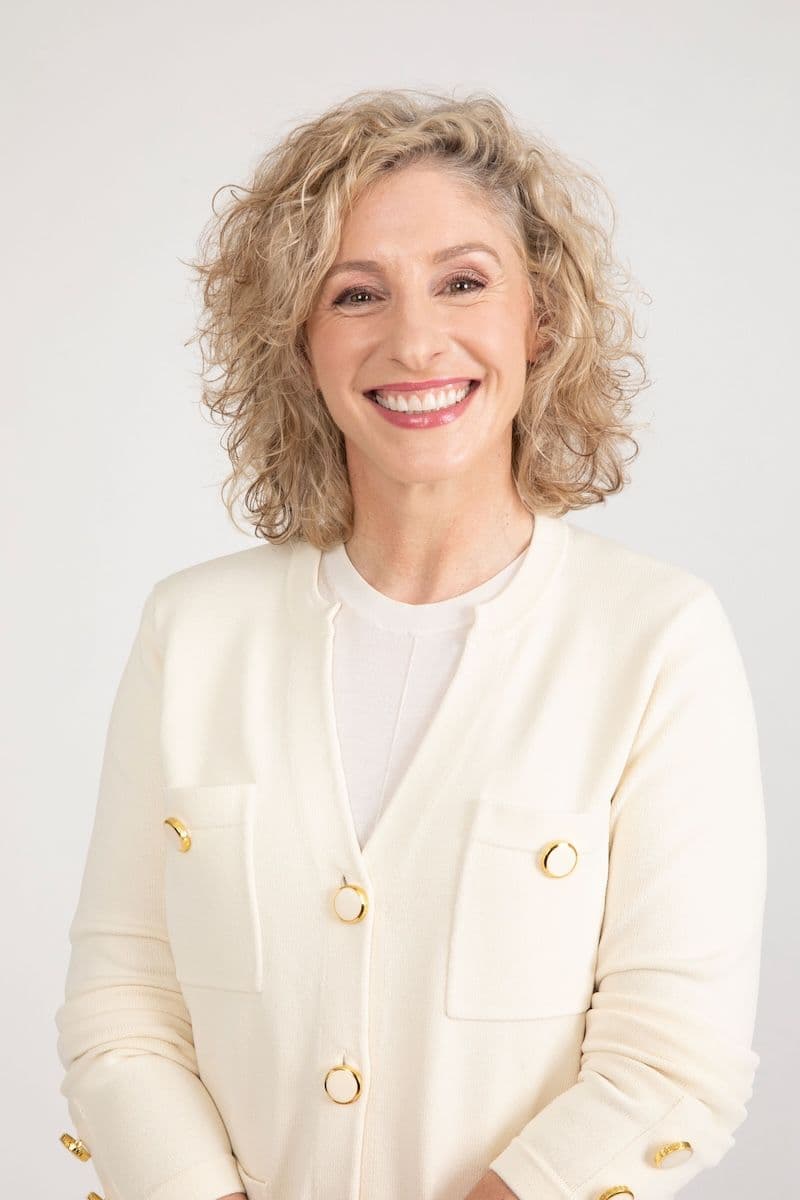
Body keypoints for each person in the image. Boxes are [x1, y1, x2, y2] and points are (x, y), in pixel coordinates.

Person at [54, 88, 767, 1200]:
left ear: (541, 320)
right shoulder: (191, 631)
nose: (415, 339)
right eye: (355, 294)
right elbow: (125, 1000)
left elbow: (673, 1062)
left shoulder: (653, 639)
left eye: (463, 282)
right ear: (298, 340)